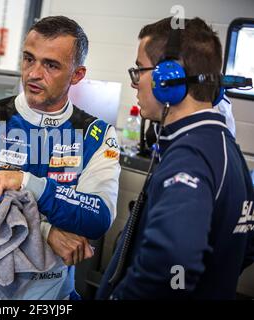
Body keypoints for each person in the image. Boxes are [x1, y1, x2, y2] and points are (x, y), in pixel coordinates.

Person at [0, 16, 121, 300]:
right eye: (28, 59)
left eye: (50, 65)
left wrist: (24, 182)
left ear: (77, 75)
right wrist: (47, 231)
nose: (33, 74)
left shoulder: (96, 134)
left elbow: (97, 218)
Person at [97, 17, 254, 300]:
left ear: (167, 79)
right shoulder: (226, 147)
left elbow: (172, 258)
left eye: (138, 71)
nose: (135, 84)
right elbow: (247, 246)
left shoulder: (189, 157)